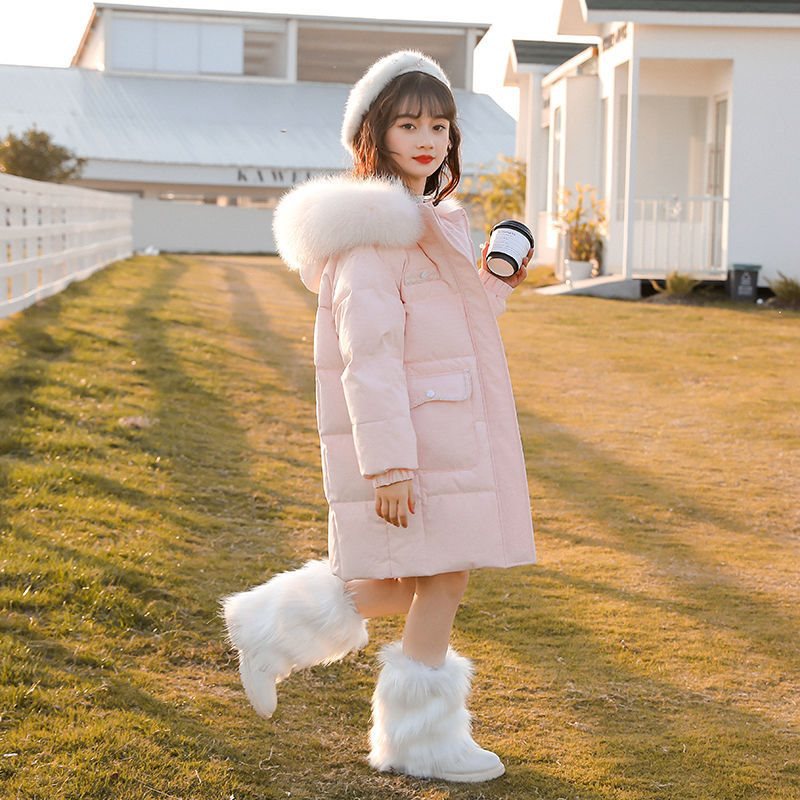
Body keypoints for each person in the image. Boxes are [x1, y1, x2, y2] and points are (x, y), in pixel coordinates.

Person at [221, 49, 537, 783]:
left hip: (446, 434)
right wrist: (389, 465)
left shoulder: (428, 223)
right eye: (408, 124)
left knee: (417, 580)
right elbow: (369, 360)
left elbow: (445, 333)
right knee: (439, 578)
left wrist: (494, 277)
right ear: (375, 132)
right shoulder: (372, 238)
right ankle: (420, 741)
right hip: (414, 442)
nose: (428, 139)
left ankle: (270, 628)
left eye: (440, 125)